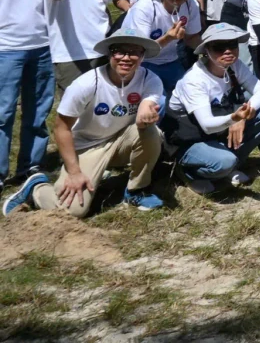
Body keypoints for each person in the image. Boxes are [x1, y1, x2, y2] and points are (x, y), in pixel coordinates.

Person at [3, 32, 165, 217]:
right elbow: (61, 128)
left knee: (152, 132)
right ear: (109, 54)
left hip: (120, 139)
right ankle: (37, 188)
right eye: (118, 51)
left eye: (134, 52)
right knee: (73, 211)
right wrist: (74, 171)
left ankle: (137, 189)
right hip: (86, 146)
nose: (126, 57)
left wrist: (146, 114)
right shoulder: (86, 84)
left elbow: (145, 108)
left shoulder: (149, 79)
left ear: (143, 56)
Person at [166, 24, 260, 194]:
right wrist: (234, 119)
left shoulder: (234, 66)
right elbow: (206, 124)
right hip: (189, 138)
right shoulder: (195, 80)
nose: (228, 51)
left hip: (217, 131)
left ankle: (231, 164)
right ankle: (188, 171)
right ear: (206, 51)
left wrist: (240, 117)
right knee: (224, 162)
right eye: (219, 47)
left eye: (232, 45)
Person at [0, 0, 55, 192]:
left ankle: (30, 165)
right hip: (5, 48)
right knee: (2, 112)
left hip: (43, 45)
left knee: (38, 111)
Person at [119, 0, 205, 97]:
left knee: (188, 97)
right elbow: (139, 51)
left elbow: (192, 38)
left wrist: (210, 49)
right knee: (157, 104)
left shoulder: (191, 5)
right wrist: (168, 38)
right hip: (142, 64)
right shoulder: (146, 7)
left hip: (171, 61)